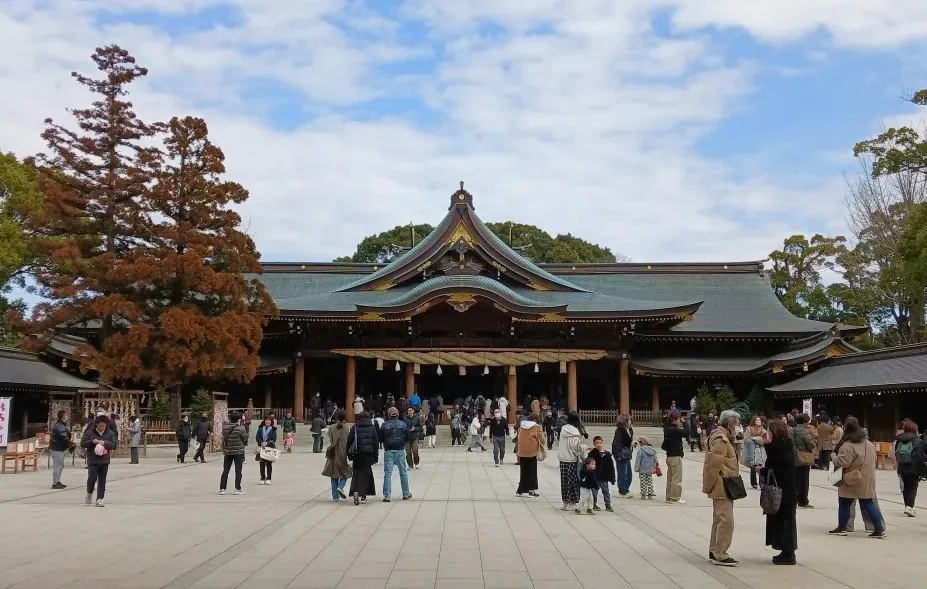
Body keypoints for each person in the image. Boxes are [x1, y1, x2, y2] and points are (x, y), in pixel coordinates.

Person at [829, 416, 886, 538]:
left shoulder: (847, 446)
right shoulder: (869, 444)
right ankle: (879, 528)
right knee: (869, 503)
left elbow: (843, 462)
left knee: (844, 503)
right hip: (867, 479)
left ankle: (842, 527)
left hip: (852, 479)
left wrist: (833, 457)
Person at [702, 409, 741, 567]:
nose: (739, 426)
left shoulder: (724, 436)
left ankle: (714, 549)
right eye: (737, 423)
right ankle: (720, 553)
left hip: (724, 482)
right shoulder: (721, 439)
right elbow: (712, 464)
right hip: (722, 483)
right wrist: (710, 485)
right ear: (731, 424)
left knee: (719, 519)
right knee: (726, 520)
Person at [762, 419, 798, 565]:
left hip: (785, 491)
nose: (768, 433)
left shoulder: (783, 449)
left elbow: (775, 465)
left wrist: (768, 447)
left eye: (770, 431)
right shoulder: (783, 446)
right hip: (784, 489)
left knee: (785, 521)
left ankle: (789, 553)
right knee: (782, 520)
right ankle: (785, 550)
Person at [81, 415, 117, 507]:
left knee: (102, 480)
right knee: (92, 479)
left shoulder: (110, 433)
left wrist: (105, 443)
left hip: (104, 460)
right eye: (100, 426)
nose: (101, 428)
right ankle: (89, 493)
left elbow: (114, 444)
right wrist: (92, 441)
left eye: (103, 426)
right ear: (96, 424)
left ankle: (100, 499)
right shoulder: (90, 432)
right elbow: (83, 443)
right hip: (93, 460)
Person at [379, 407, 413, 502]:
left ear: (388, 415)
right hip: (400, 450)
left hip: (388, 450)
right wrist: (402, 443)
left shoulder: (385, 425)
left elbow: (380, 438)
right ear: (397, 414)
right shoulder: (403, 424)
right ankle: (406, 493)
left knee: (387, 473)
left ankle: (387, 495)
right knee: (403, 473)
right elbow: (408, 437)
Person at [347, 411, 379, 505]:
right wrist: (375, 457)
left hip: (357, 454)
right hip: (368, 454)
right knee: (366, 474)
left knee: (356, 473)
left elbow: (349, 441)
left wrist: (349, 454)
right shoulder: (372, 427)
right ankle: (363, 495)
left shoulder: (355, 427)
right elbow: (376, 443)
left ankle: (355, 491)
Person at [893, 418, 923, 517]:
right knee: (913, 488)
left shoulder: (899, 439)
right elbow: (920, 455)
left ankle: (908, 506)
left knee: (906, 487)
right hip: (914, 467)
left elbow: (896, 453)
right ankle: (909, 507)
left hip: (902, 467)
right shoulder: (917, 440)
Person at [558, 412, 588, 511]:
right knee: (573, 481)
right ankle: (573, 501)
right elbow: (575, 448)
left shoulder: (563, 429)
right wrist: (584, 448)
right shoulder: (575, 432)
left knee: (564, 481)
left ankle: (565, 501)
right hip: (571, 459)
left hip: (562, 458)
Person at [321, 409, 352, 501]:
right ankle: (341, 486)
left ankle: (335, 497)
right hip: (343, 452)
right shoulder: (347, 427)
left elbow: (330, 438)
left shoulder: (331, 427)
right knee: (346, 473)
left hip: (333, 452)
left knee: (333, 474)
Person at [219, 411, 248, 495]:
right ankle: (237, 488)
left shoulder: (225, 428)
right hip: (238, 452)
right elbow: (245, 438)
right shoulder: (240, 428)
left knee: (226, 470)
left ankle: (222, 489)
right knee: (238, 470)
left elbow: (224, 438)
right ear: (238, 419)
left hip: (228, 452)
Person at [515, 412, 542, 497]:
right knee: (532, 472)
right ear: (535, 420)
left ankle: (521, 490)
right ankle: (531, 491)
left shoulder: (521, 426)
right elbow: (542, 439)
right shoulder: (536, 427)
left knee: (523, 471)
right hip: (532, 451)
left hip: (522, 451)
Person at [792, 413, 816, 508]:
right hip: (803, 457)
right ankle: (802, 500)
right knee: (804, 481)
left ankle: (793, 499)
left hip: (793, 457)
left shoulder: (791, 430)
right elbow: (811, 444)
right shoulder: (804, 432)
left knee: (794, 480)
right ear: (805, 422)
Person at [662, 411, 686, 504]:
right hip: (676, 456)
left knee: (670, 478)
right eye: (679, 419)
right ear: (673, 420)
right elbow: (687, 432)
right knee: (676, 478)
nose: (680, 420)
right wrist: (685, 423)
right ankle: (675, 497)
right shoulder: (675, 430)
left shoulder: (667, 429)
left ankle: (669, 496)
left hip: (669, 455)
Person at [587, 436, 615, 511]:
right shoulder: (592, 454)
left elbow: (611, 467)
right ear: (594, 444)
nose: (598, 445)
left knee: (606, 491)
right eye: (597, 443)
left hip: (604, 477)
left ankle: (608, 504)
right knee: (594, 492)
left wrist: (612, 478)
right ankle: (593, 504)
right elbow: (588, 464)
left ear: (602, 443)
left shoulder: (607, 455)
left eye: (600, 443)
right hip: (595, 476)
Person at [612, 414, 635, 498]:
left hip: (626, 452)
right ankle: (622, 491)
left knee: (628, 473)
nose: (630, 421)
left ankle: (625, 489)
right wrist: (618, 454)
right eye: (629, 420)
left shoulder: (628, 430)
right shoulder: (620, 430)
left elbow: (628, 441)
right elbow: (619, 443)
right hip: (621, 453)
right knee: (623, 473)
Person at [50, 410, 74, 489]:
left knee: (60, 465)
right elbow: (64, 438)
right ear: (63, 417)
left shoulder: (60, 425)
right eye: (66, 415)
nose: (67, 417)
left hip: (59, 448)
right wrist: (70, 444)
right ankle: (55, 483)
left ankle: (57, 480)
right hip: (57, 448)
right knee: (58, 466)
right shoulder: (59, 426)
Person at [744, 416, 767, 489]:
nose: (759, 421)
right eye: (757, 420)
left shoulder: (763, 430)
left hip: (760, 450)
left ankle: (762, 483)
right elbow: (746, 440)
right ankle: (754, 483)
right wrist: (753, 440)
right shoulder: (748, 429)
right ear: (754, 421)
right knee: (753, 467)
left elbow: (765, 440)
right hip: (752, 450)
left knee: (761, 466)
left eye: (760, 420)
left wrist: (755, 438)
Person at [255, 417, 277, 485]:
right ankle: (262, 478)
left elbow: (274, 439)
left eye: (269, 420)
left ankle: (268, 478)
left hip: (269, 448)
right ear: (264, 421)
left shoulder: (273, 430)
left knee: (269, 464)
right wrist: (261, 442)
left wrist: (266, 443)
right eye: (266, 420)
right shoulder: (260, 429)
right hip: (262, 447)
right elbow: (257, 437)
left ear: (271, 421)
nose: (267, 422)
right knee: (261, 464)